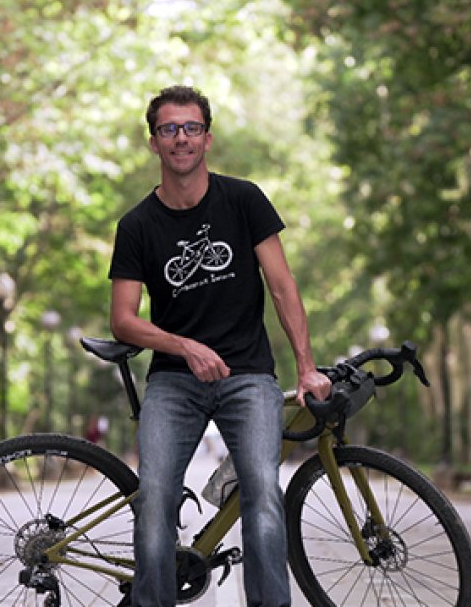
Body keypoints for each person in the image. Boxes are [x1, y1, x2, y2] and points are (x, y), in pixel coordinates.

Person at [108, 85, 331, 606]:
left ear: (207, 139)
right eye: (169, 129)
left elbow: (282, 285)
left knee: (261, 492)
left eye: (190, 128)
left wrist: (306, 368)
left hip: (249, 375)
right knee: (156, 496)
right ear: (153, 142)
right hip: (172, 381)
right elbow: (123, 321)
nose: (180, 138)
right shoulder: (137, 226)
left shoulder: (244, 200)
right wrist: (183, 345)